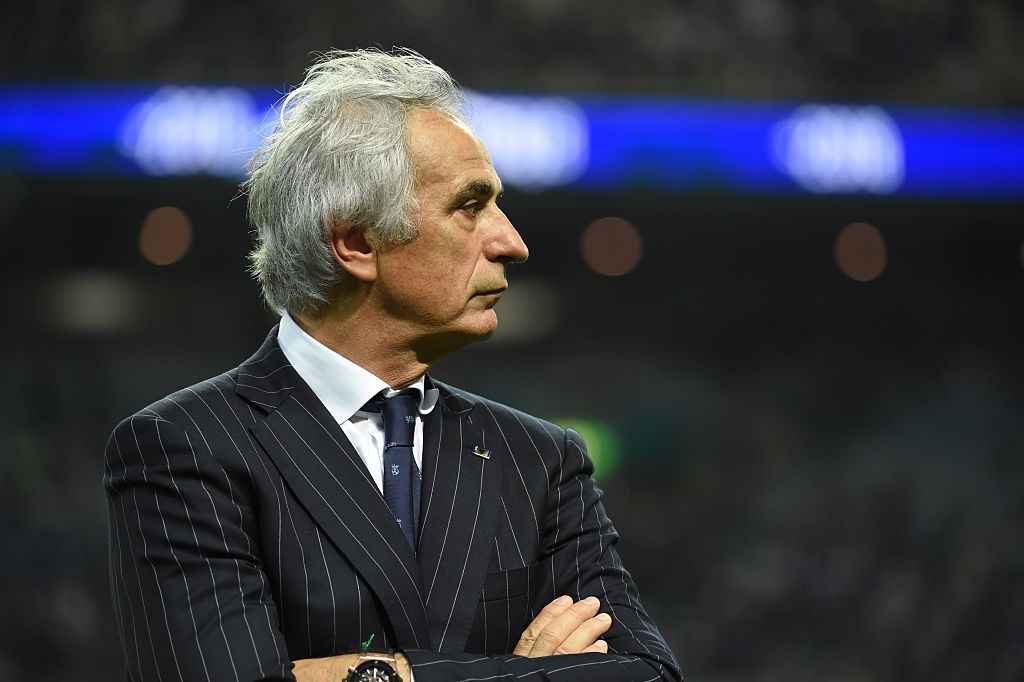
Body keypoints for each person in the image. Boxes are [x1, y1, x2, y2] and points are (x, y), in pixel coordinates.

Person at [104, 48, 681, 682]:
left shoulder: (540, 460)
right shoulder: (184, 446)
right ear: (356, 242)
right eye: (470, 207)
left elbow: (647, 673)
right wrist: (520, 675)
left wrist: (380, 675)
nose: (512, 243)